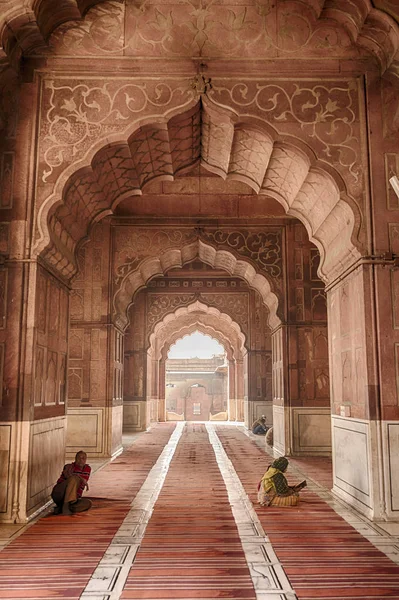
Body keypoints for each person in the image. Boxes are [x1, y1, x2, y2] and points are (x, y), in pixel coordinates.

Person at [51, 450, 92, 515]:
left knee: (88, 503)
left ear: (86, 460)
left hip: (74, 498)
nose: (81, 460)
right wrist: (82, 479)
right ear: (75, 459)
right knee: (74, 479)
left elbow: (82, 480)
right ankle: (65, 506)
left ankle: (62, 507)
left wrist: (81, 480)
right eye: (79, 458)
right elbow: (69, 476)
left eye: (83, 458)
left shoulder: (87, 469)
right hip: (59, 493)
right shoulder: (69, 467)